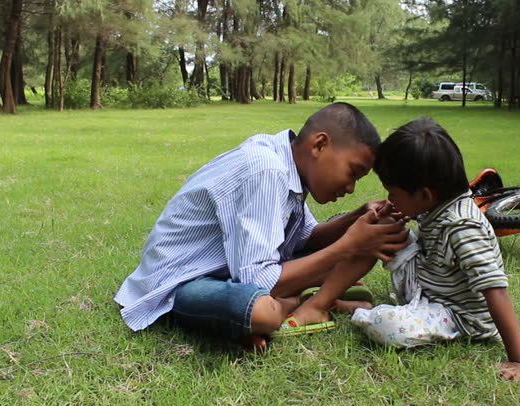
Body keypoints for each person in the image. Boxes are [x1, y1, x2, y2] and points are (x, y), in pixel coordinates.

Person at [114, 102, 410, 350]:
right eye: (353, 172)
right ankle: (298, 302)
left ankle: (311, 299)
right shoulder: (266, 170)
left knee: (371, 235)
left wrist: (357, 218)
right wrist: (349, 245)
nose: (350, 187)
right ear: (320, 144)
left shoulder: (290, 165)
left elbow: (307, 239)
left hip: (231, 271)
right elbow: (259, 280)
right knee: (261, 312)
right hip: (180, 282)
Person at [295, 117, 520, 381]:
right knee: (377, 229)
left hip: (456, 314)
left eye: (393, 194)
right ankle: (320, 303)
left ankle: (362, 310)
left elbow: (495, 289)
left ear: (425, 195)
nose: (390, 200)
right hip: (427, 281)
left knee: (387, 327)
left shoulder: (464, 228)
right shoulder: (437, 204)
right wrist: (391, 213)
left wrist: (519, 360)